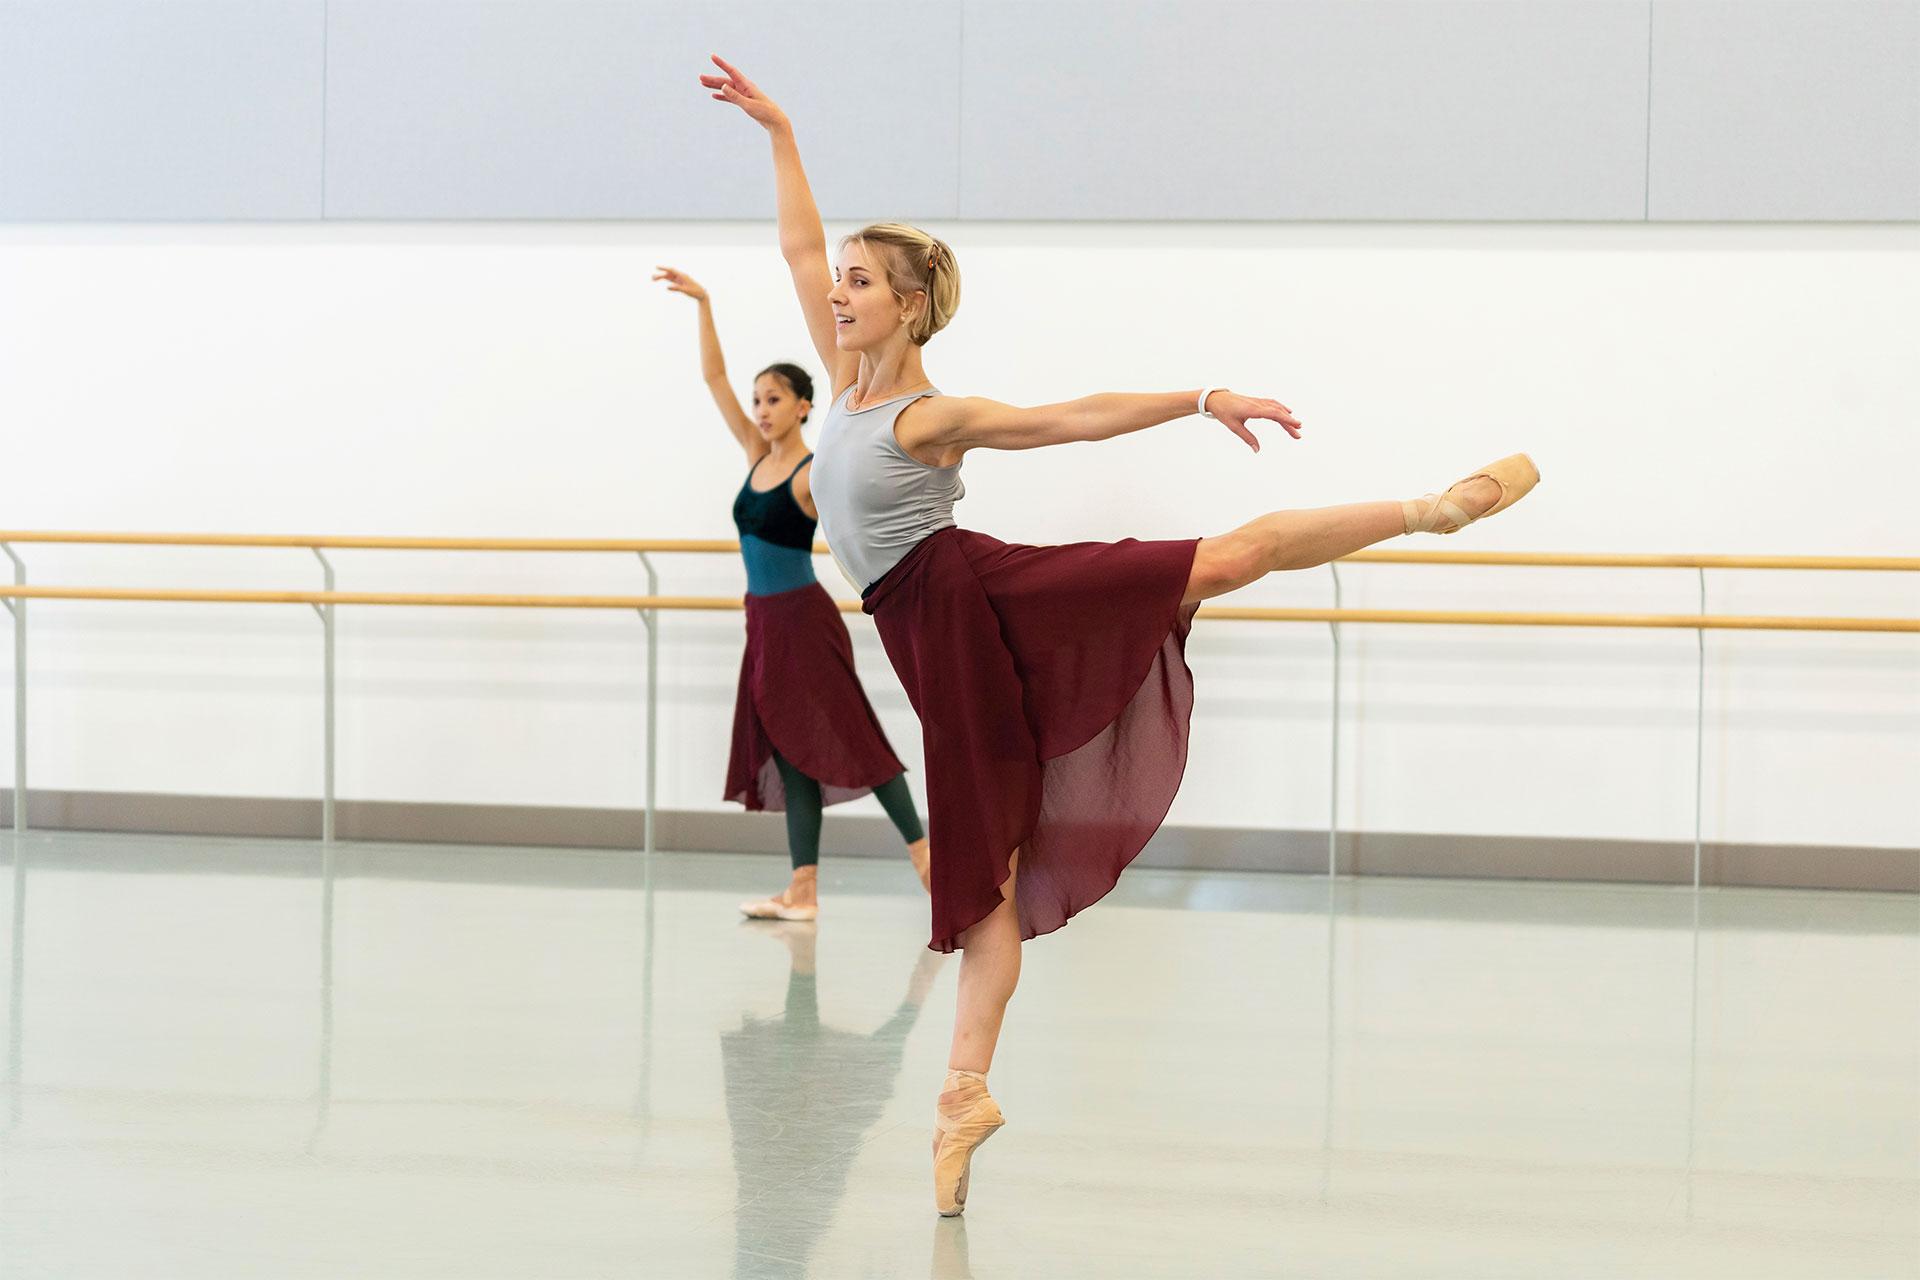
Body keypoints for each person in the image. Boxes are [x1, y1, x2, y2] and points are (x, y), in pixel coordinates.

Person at [701, 54, 1539, 1215]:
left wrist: (1201, 398)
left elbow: (1069, 419)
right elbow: (797, 247)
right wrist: (781, 130)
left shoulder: (925, 413)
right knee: (982, 883)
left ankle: (1432, 508)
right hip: (932, 635)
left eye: (857, 283)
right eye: (838, 280)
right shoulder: (839, 380)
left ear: (905, 304)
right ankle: (963, 1097)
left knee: (1217, 565)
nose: (834, 291)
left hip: (973, 603)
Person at [655, 265, 932, 920]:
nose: (761, 410)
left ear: (804, 406)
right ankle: (802, 889)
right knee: (788, 744)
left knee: (851, 734)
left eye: (774, 399)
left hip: (804, 620)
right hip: (765, 622)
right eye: (759, 401)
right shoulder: (756, 455)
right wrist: (704, 304)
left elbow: (862, 516)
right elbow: (712, 381)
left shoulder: (812, 471)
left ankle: (925, 854)